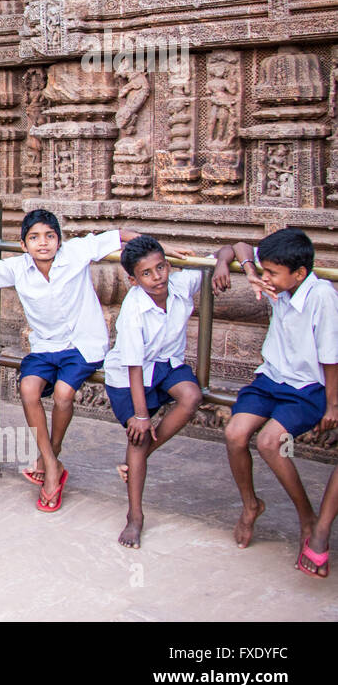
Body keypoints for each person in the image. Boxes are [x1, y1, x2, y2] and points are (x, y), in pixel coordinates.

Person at [0, 210, 139, 512]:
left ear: (60, 240)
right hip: (45, 347)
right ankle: (52, 462)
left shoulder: (77, 251)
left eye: (49, 236)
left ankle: (51, 458)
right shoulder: (19, 267)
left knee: (63, 394)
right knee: (28, 390)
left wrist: (160, 250)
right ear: (23, 244)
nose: (43, 244)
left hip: (83, 345)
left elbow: (121, 236)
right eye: (34, 238)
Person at [216, 229, 338, 568]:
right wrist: (246, 270)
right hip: (271, 377)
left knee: (271, 442)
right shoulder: (277, 283)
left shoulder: (322, 297)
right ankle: (250, 504)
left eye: (272, 272)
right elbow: (235, 245)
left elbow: (331, 358)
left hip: (306, 388)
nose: (266, 277)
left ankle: (307, 517)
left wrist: (332, 404)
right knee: (234, 433)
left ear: (299, 274)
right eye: (264, 270)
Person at [103, 236, 229, 548]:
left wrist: (224, 264)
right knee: (138, 433)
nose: (158, 276)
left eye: (161, 267)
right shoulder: (133, 308)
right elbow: (133, 366)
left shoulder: (180, 284)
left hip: (167, 364)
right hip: (131, 375)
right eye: (147, 273)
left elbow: (225, 250)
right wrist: (141, 416)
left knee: (191, 396)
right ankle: (135, 516)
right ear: (133, 280)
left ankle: (136, 461)